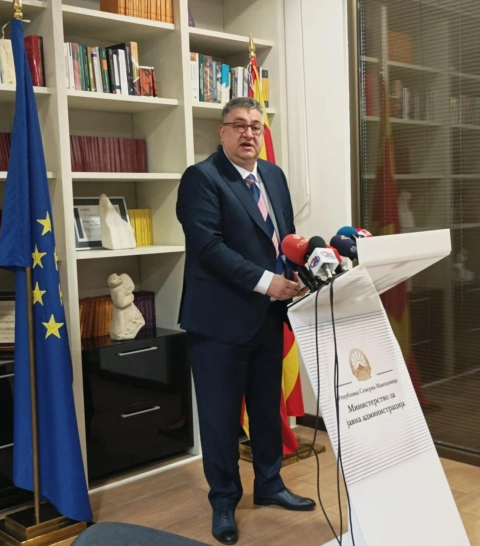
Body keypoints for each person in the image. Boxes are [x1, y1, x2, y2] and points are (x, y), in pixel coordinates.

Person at [176, 97, 315, 545]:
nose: (249, 133)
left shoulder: (273, 175)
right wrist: (267, 282)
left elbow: (285, 239)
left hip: (268, 318)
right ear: (222, 132)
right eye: (238, 125)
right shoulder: (202, 178)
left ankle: (270, 484)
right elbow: (209, 248)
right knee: (219, 419)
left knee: (265, 408)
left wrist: (298, 273)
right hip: (218, 322)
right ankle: (223, 500)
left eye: (256, 125)